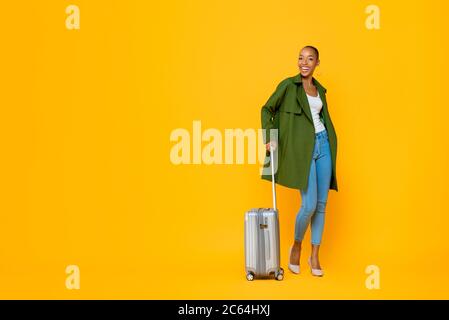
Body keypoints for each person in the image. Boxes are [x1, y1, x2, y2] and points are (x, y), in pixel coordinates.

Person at [260, 46, 338, 277]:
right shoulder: (288, 86)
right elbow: (267, 109)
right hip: (301, 148)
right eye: (301, 58)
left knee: (322, 205)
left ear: (317, 63)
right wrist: (270, 138)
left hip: (323, 144)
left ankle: (314, 255)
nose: (304, 62)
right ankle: (296, 245)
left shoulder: (319, 90)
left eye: (310, 59)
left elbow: (321, 118)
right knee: (309, 204)